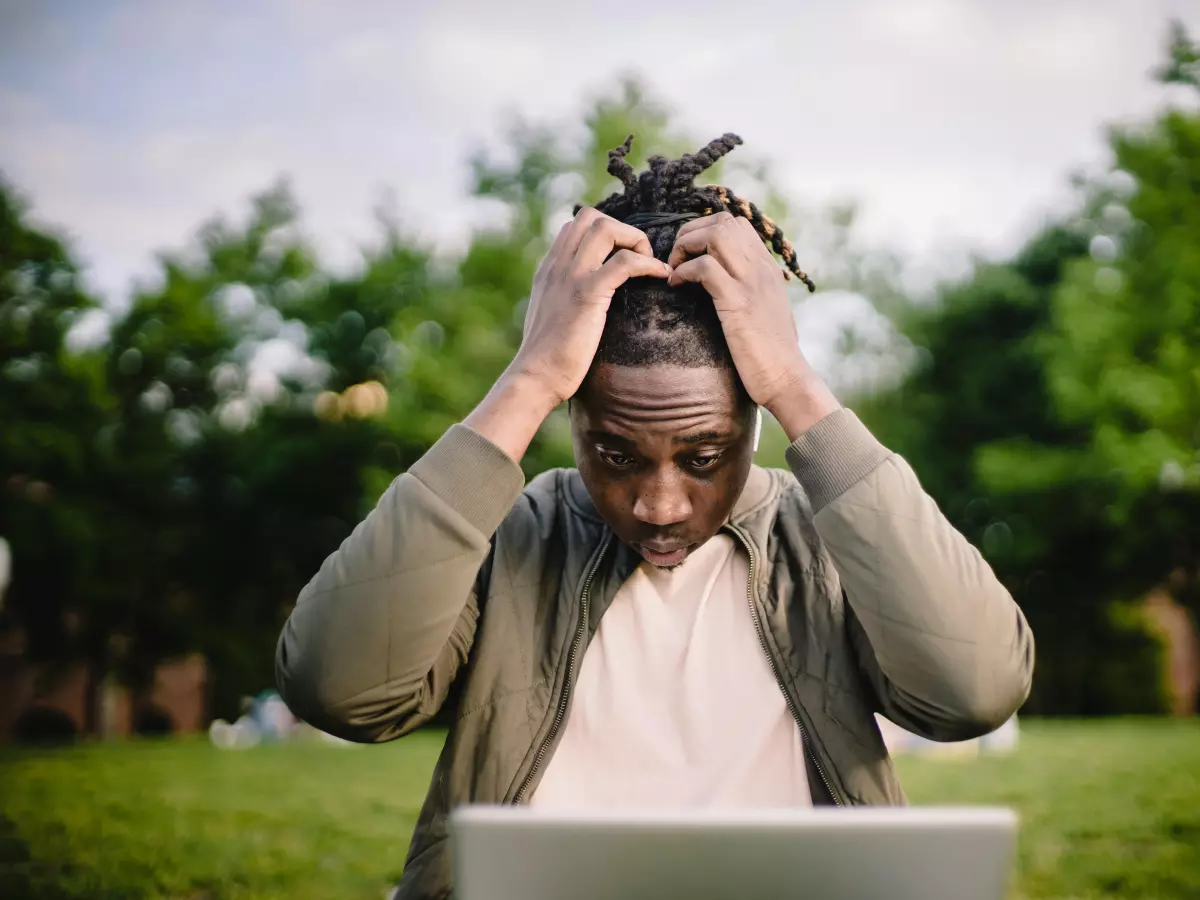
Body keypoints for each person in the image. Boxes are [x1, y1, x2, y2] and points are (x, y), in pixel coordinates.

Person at [276, 133, 1035, 899]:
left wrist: (797, 383)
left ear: (755, 419)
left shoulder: (832, 538)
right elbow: (338, 690)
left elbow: (973, 690)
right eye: (615, 454)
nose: (659, 505)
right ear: (571, 415)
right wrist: (529, 375)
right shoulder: (509, 535)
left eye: (703, 457)